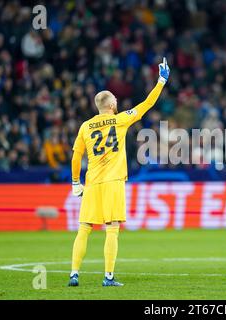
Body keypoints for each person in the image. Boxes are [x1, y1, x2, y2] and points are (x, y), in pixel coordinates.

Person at [68, 58, 170, 287]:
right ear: (111, 105)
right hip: (113, 181)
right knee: (112, 229)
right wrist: (161, 81)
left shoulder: (85, 126)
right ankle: (108, 277)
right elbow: (146, 104)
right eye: (114, 98)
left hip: (92, 182)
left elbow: (76, 157)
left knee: (84, 228)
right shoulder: (120, 120)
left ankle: (74, 274)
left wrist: (75, 182)